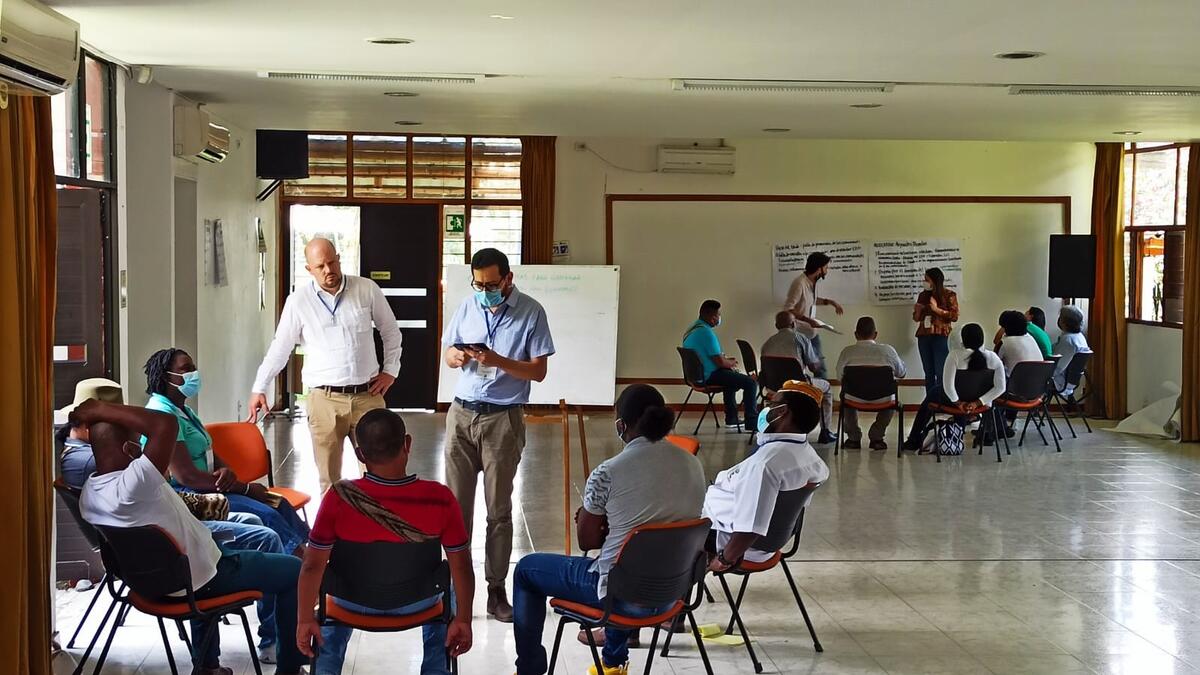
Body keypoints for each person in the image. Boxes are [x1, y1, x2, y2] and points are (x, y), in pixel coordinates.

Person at [76, 400, 305, 675]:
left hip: (151, 580)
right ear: (128, 449)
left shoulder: (90, 494)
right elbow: (165, 424)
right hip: (197, 579)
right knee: (294, 570)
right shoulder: (134, 484)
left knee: (207, 549)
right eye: (138, 442)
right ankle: (289, 669)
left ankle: (207, 667)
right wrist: (101, 410)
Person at [512, 384, 706, 675]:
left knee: (527, 570)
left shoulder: (608, 472)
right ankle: (614, 664)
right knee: (623, 559)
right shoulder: (693, 465)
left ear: (621, 425)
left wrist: (594, 523)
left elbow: (586, 541)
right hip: (672, 595)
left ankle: (529, 669)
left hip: (622, 598)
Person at [296, 409, 474, 675]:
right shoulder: (439, 498)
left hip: (351, 601)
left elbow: (312, 566)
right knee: (447, 590)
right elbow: (461, 567)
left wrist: (304, 619)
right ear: (408, 444)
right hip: (420, 601)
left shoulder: (340, 497)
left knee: (331, 604)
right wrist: (463, 620)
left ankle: (325, 670)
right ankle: (436, 670)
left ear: (360, 454)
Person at [442, 248, 555, 623]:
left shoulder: (531, 312)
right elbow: (448, 352)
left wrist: (499, 361)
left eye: (491, 284)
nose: (485, 290)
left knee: (499, 510)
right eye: (478, 283)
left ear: (508, 278)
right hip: (461, 414)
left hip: (502, 419)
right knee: (455, 511)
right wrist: (457, 357)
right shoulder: (468, 305)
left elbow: (538, 372)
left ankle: (495, 590)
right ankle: (455, 591)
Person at [247, 237, 403, 493]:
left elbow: (391, 332)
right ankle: (334, 532)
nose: (329, 270)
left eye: (332, 262)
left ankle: (379, 529)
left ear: (339, 258)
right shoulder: (298, 301)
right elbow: (280, 349)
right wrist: (259, 387)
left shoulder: (366, 289)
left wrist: (390, 371)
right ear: (309, 269)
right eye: (320, 266)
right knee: (329, 480)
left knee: (380, 473)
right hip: (324, 400)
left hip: (367, 395)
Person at [145, 348, 310, 556]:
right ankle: (305, 572)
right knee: (267, 515)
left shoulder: (184, 410)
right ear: (165, 377)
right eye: (186, 370)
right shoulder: (162, 415)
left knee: (279, 503)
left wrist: (227, 471)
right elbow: (186, 476)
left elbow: (208, 449)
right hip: (192, 495)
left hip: (212, 485)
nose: (194, 374)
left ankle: (314, 558)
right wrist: (246, 489)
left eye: (194, 368)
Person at [705, 380, 830, 571]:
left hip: (732, 541)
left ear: (782, 412)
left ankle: (667, 595)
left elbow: (750, 528)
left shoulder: (765, 464)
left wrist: (724, 560)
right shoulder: (810, 458)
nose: (766, 409)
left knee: (661, 532)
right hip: (768, 542)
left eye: (772, 405)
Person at [903, 323, 1007, 452]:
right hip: (980, 403)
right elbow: (1000, 388)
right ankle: (975, 432)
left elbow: (948, 386)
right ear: (982, 339)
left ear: (962, 339)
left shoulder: (954, 355)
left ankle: (914, 439)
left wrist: (958, 402)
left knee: (932, 394)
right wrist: (978, 402)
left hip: (954, 402)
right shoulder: (993, 358)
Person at [682, 299, 758, 430]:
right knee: (750, 383)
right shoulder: (706, 333)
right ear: (712, 318)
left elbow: (712, 356)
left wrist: (726, 362)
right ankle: (751, 421)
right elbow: (720, 362)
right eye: (718, 315)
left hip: (696, 376)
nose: (719, 318)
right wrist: (731, 362)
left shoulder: (692, 329)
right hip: (708, 376)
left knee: (731, 380)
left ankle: (732, 418)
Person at [760, 311, 835, 443]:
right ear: (793, 324)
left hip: (774, 388)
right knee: (827, 389)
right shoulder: (800, 338)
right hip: (797, 386)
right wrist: (817, 360)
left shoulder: (767, 343)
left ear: (776, 325)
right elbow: (813, 367)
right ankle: (825, 432)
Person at [834, 317, 908, 451]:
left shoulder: (847, 352)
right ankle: (877, 436)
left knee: (845, 396)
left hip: (854, 399)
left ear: (855, 334)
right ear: (875, 334)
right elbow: (902, 373)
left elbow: (840, 377)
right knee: (892, 398)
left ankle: (853, 438)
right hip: (883, 399)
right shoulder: (888, 351)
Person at [784, 252, 845, 377]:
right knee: (809, 370)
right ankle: (814, 395)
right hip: (800, 334)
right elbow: (788, 309)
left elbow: (811, 300)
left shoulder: (813, 282)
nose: (827, 270)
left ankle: (820, 395)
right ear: (819, 268)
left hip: (811, 333)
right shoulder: (799, 283)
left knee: (820, 369)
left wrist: (830, 302)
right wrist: (807, 320)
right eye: (826, 267)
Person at [912, 268, 959, 398]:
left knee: (940, 371)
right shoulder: (922, 295)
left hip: (941, 336)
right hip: (924, 336)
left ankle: (942, 401)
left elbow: (954, 316)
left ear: (935, 281)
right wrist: (917, 311)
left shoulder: (949, 294)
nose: (924, 282)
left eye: (927, 280)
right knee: (928, 372)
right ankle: (930, 402)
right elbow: (916, 318)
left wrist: (936, 309)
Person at [1052, 305, 1092, 395]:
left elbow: (1057, 368)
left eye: (1060, 317)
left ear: (1064, 322)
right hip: (1071, 381)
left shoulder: (1068, 340)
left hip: (1061, 381)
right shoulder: (1080, 337)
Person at [993, 310, 1044, 376]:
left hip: (1016, 384)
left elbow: (993, 364)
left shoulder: (1004, 342)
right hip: (1039, 382)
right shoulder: (1031, 338)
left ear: (1006, 328)